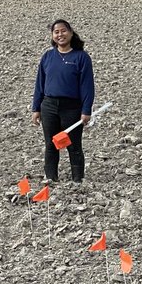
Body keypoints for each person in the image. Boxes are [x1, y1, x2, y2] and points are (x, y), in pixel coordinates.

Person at [31, 19, 95, 184]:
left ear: (71, 33)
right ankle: (51, 178)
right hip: (49, 106)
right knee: (51, 144)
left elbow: (87, 86)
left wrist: (86, 110)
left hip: (72, 108)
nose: (60, 34)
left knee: (73, 145)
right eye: (56, 32)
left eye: (63, 31)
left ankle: (78, 179)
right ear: (53, 36)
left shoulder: (81, 57)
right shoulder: (48, 57)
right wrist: (36, 108)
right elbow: (40, 83)